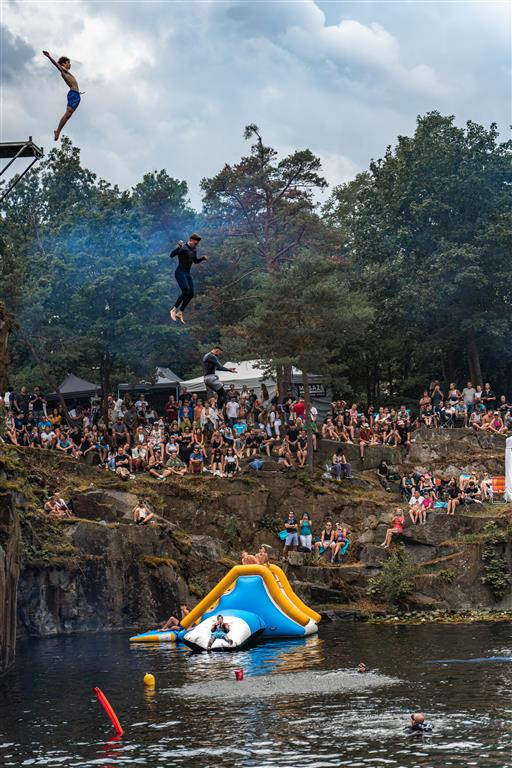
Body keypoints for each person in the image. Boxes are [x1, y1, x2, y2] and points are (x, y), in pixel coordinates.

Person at [42, 51, 81, 141]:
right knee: (68, 114)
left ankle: (58, 130)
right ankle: (58, 130)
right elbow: (57, 65)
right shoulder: (63, 69)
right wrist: (49, 57)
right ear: (63, 63)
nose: (70, 64)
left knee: (68, 115)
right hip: (73, 94)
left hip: (76, 95)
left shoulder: (66, 71)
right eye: (68, 62)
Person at [169, 234, 206, 323]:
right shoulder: (182, 248)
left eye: (197, 244)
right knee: (186, 290)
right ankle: (173, 310)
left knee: (191, 293)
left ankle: (180, 312)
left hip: (187, 274)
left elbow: (195, 261)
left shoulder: (194, 250)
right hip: (180, 273)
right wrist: (178, 247)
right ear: (190, 240)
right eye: (195, 243)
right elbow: (171, 255)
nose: (196, 245)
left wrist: (202, 258)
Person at [202, 347, 237, 412]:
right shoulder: (211, 356)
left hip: (207, 379)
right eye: (219, 353)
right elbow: (220, 366)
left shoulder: (206, 356)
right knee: (223, 394)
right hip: (211, 378)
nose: (218, 355)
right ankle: (219, 411)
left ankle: (219, 410)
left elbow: (217, 368)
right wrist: (229, 370)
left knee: (220, 393)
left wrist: (228, 369)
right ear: (216, 350)